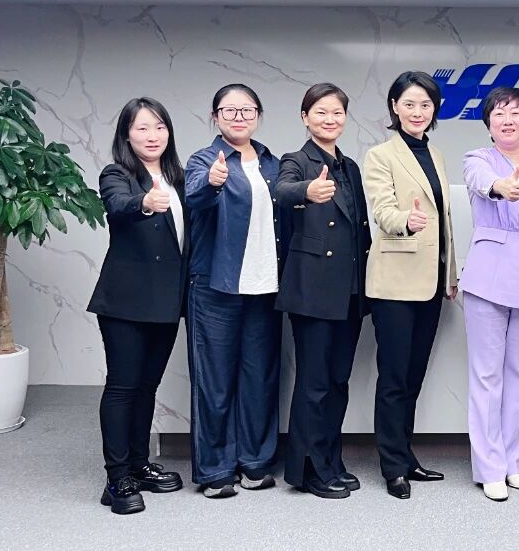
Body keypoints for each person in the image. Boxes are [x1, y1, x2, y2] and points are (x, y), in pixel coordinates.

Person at [184, 83, 285, 499]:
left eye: (247, 110)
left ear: (258, 115)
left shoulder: (272, 162)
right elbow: (193, 196)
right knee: (215, 381)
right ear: (215, 117)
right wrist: (212, 182)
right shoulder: (203, 160)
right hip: (216, 287)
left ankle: (255, 462)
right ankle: (215, 469)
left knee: (260, 378)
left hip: (266, 287)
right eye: (229, 110)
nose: (239, 117)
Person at [88, 98, 187, 515]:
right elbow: (118, 205)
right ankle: (116, 479)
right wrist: (144, 203)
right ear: (127, 135)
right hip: (125, 301)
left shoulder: (179, 177)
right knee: (123, 386)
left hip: (167, 300)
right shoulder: (117, 174)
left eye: (159, 127)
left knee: (147, 387)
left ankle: (138, 464)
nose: (152, 135)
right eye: (142, 128)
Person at [363, 71, 458, 500]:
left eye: (425, 104)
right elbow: (383, 210)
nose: (418, 112)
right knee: (394, 378)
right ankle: (392, 466)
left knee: (414, 376)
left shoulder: (434, 154)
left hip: (431, 283)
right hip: (395, 284)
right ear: (394, 107)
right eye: (409, 104)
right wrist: (406, 220)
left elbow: (445, 222)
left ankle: (405, 455)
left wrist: (449, 274)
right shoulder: (380, 155)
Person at [275, 83, 372, 500]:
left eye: (337, 113)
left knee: (338, 381)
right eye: (320, 112)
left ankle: (331, 458)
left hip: (349, 290)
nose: (329, 120)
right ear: (305, 117)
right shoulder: (296, 161)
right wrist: (307, 192)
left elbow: (361, 228)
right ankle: (308, 469)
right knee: (313, 383)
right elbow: (281, 191)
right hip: (313, 290)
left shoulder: (349, 166)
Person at [459, 87, 519, 502]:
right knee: (487, 375)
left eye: (515, 113)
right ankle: (489, 467)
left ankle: (514, 462)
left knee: (516, 372)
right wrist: (503, 187)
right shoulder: (478, 159)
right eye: (499, 113)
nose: (508, 119)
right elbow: (484, 184)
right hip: (488, 276)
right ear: (488, 123)